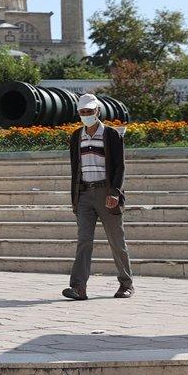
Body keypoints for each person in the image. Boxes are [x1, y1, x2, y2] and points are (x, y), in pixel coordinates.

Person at [63, 93, 134, 301]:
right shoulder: (76, 136)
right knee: (83, 241)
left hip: (107, 192)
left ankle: (126, 284)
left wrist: (115, 192)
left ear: (98, 112)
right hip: (84, 193)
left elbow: (120, 167)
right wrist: (75, 198)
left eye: (90, 112)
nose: (86, 115)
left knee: (116, 240)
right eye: (83, 112)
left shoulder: (111, 135)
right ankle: (78, 287)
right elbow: (75, 168)